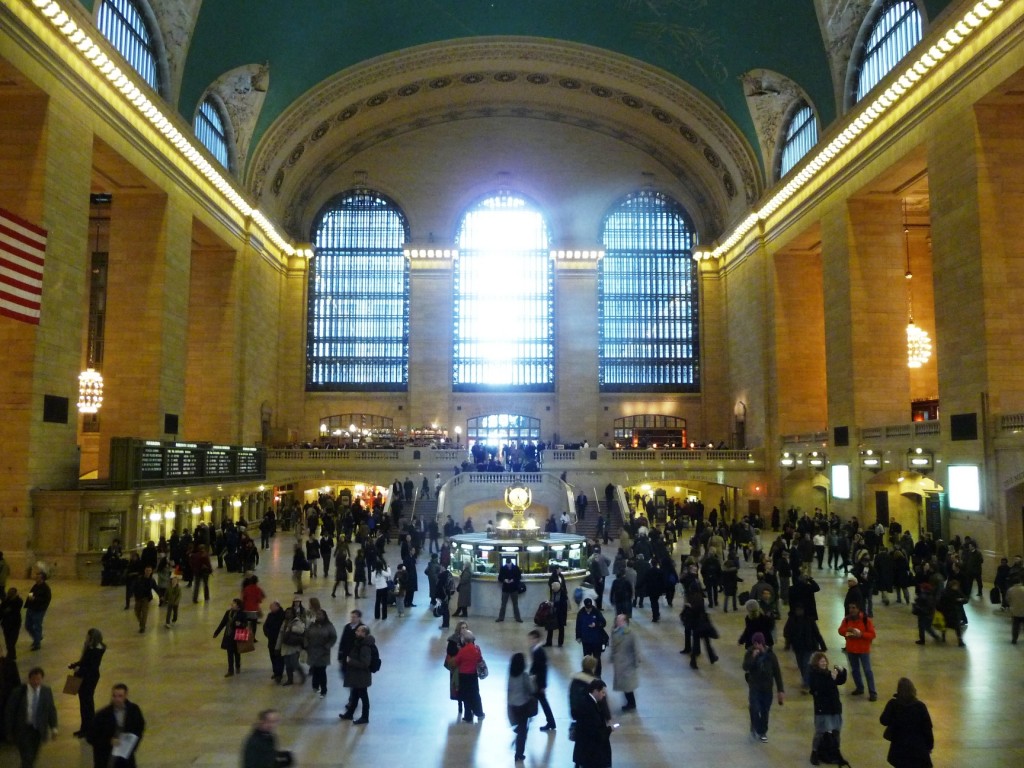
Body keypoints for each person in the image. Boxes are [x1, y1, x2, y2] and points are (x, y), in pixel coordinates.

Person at [3, 666, 57, 768]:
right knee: (27, 757)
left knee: (33, 757)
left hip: (38, 731)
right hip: (23, 731)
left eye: (39, 679)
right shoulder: (18, 692)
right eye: (34, 679)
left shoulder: (46, 691)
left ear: (42, 679)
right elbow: (9, 712)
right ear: (29, 679)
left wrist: (54, 727)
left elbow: (51, 710)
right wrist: (8, 731)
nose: (36, 682)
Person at [87, 682, 145, 768]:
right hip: (106, 757)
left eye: (120, 696)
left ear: (126, 696)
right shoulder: (102, 715)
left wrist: (131, 742)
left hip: (125, 756)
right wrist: (109, 741)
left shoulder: (134, 710)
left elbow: (139, 727)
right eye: (114, 696)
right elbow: (91, 737)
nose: (117, 699)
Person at [879, 678, 934, 768]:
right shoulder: (920, 706)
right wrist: (929, 746)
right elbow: (927, 729)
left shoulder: (893, 705)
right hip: (918, 749)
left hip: (899, 749)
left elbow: (883, 720)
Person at [742, 631, 784, 742]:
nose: (757, 646)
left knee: (765, 710)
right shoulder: (750, 653)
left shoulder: (770, 655)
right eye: (755, 643)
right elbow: (745, 667)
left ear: (763, 643)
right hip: (755, 687)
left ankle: (762, 731)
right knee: (755, 708)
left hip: (767, 688)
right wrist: (753, 657)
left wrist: (780, 690)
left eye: (759, 643)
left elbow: (777, 672)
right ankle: (757, 727)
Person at [808, 651, 847, 765]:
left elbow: (840, 681)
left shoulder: (828, 673)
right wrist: (832, 679)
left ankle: (836, 751)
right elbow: (821, 688)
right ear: (816, 663)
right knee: (820, 732)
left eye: (825, 661)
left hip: (834, 707)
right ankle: (814, 752)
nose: (824, 663)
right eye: (821, 661)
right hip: (822, 709)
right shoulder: (814, 675)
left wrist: (842, 671)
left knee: (836, 731)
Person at [68, 627, 105, 737]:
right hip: (87, 677)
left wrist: (78, 669)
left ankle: (87, 729)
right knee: (85, 704)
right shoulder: (96, 648)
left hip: (87, 678)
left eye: (88, 637)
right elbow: (84, 661)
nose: (86, 639)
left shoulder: (93, 651)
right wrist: (74, 665)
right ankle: (85, 728)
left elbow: (90, 667)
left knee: (86, 704)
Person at [838, 602, 877, 700]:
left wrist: (861, 635)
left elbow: (872, 634)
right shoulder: (847, 620)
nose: (851, 610)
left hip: (863, 650)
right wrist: (849, 630)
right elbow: (840, 631)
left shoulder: (865, 620)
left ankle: (872, 692)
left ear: (858, 609)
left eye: (853, 607)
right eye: (850, 608)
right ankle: (859, 688)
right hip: (851, 650)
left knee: (867, 671)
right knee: (855, 671)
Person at [339, 623, 376, 724]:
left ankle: (365, 717)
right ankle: (350, 713)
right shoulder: (360, 643)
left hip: (362, 676)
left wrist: (350, 661)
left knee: (363, 697)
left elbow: (365, 663)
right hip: (357, 676)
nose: (356, 632)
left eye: (358, 631)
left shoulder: (365, 646)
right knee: (355, 695)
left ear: (364, 633)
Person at [572, 678, 613, 768]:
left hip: (585, 751)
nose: (604, 694)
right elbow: (594, 731)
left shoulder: (587, 701)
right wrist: (609, 729)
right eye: (602, 692)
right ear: (595, 691)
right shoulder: (589, 707)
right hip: (590, 753)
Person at [507, 651, 536, 764]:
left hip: (512, 704)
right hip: (523, 705)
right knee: (523, 731)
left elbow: (508, 689)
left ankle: (518, 730)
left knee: (520, 726)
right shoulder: (524, 675)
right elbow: (531, 690)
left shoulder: (510, 675)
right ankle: (519, 754)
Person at [453, 630, 486, 723]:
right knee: (475, 694)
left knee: (465, 696)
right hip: (473, 675)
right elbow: (479, 659)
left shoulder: (462, 651)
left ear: (464, 639)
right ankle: (480, 713)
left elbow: (456, 662)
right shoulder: (477, 648)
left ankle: (468, 716)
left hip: (463, 676)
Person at [304, 608, 337, 697]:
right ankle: (315, 686)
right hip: (313, 651)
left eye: (320, 614)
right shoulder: (312, 625)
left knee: (321, 671)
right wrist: (306, 644)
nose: (318, 616)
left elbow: (333, 637)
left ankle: (323, 689)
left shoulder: (329, 626)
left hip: (323, 652)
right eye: (317, 614)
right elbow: (306, 635)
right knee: (315, 669)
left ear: (324, 616)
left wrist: (327, 646)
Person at [609, 614, 639, 711]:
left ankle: (631, 704)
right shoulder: (615, 632)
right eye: (617, 620)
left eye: (620, 620)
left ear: (625, 621)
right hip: (619, 663)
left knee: (628, 686)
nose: (618, 622)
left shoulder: (630, 633)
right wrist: (612, 657)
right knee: (624, 685)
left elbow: (636, 648)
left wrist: (636, 661)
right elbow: (613, 646)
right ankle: (630, 703)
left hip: (627, 663)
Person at [528, 629, 556, 731]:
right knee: (541, 701)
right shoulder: (534, 649)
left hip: (538, 683)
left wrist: (543, 685)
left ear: (537, 639)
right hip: (536, 681)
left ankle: (551, 722)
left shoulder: (540, 652)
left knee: (542, 701)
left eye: (532, 638)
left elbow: (543, 669)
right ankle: (551, 722)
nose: (530, 640)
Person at [213, 597, 247, 677]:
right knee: (229, 653)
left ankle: (238, 665)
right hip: (229, 636)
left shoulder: (242, 614)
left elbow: (245, 624)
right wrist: (217, 632)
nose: (232, 604)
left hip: (237, 636)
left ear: (238, 606)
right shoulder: (228, 613)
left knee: (237, 652)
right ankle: (230, 670)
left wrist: (240, 624)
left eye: (234, 603)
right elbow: (223, 623)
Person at [576, 598, 608, 677]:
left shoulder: (596, 612)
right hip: (586, 641)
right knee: (587, 659)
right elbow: (578, 626)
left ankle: (598, 674)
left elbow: (603, 623)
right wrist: (578, 636)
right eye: (587, 607)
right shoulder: (581, 613)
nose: (589, 609)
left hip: (596, 640)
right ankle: (587, 674)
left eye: (590, 607)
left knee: (597, 658)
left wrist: (596, 624)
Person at [23, 571, 51, 651]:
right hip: (31, 608)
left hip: (39, 610)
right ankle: (37, 637)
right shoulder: (35, 586)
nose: (36, 578)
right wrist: (30, 597)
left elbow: (46, 600)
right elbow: (31, 593)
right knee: (28, 626)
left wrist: (35, 599)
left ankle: (37, 643)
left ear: (42, 579)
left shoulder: (46, 588)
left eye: (38, 577)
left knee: (37, 626)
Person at [263, 601, 286, 682]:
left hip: (280, 641)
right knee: (272, 657)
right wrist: (268, 634)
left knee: (279, 658)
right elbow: (265, 626)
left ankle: (279, 674)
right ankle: (275, 672)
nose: (270, 608)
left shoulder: (283, 615)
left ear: (277, 606)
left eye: (271, 607)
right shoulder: (270, 615)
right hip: (271, 640)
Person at [497, 557, 524, 622]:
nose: (508, 565)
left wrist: (512, 580)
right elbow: (499, 578)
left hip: (510, 588)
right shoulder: (514, 568)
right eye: (507, 564)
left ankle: (516, 618)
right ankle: (516, 618)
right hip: (510, 588)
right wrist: (504, 580)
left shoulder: (505, 568)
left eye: (509, 564)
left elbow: (519, 577)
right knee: (506, 604)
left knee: (512, 604)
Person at [132, 565, 157, 633]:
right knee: (137, 612)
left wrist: (161, 596)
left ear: (151, 571)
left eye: (149, 571)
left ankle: (142, 627)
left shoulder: (152, 580)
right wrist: (133, 594)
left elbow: (156, 588)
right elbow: (134, 586)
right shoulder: (139, 578)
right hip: (138, 598)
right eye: (147, 570)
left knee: (144, 613)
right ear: (144, 571)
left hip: (146, 598)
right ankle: (141, 622)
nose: (148, 572)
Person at [0, 587, 23, 660]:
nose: (9, 594)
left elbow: (13, 608)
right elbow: (1, 611)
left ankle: (10, 656)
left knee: (11, 642)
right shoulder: (6, 601)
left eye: (11, 593)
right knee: (8, 641)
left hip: (14, 625)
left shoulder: (18, 601)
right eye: (9, 593)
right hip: (6, 624)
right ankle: (12, 655)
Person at [1007, 578, 1024, 643]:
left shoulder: (1010, 590)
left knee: (1015, 626)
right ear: (1020, 581)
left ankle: (1014, 639)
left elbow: (1008, 600)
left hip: (1015, 611)